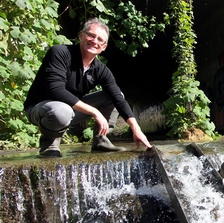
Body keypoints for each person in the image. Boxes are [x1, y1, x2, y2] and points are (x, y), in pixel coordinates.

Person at [24, 18, 152, 157]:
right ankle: (49, 143)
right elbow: (56, 90)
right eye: (91, 35)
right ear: (81, 35)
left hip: (71, 110)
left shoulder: (100, 70)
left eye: (100, 39)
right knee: (62, 110)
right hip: (43, 109)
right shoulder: (60, 53)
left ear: (104, 47)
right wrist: (95, 112)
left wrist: (136, 129)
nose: (94, 41)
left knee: (115, 95)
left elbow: (118, 99)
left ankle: (100, 140)